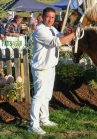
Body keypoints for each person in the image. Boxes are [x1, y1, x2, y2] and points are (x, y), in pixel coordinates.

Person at [28, 7, 76, 135]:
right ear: (43, 17)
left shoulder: (52, 29)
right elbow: (56, 42)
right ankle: (33, 125)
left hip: (50, 67)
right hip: (41, 68)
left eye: (53, 17)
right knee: (39, 97)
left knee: (47, 96)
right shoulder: (40, 31)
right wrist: (74, 34)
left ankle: (44, 119)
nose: (50, 20)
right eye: (48, 17)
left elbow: (63, 38)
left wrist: (71, 33)